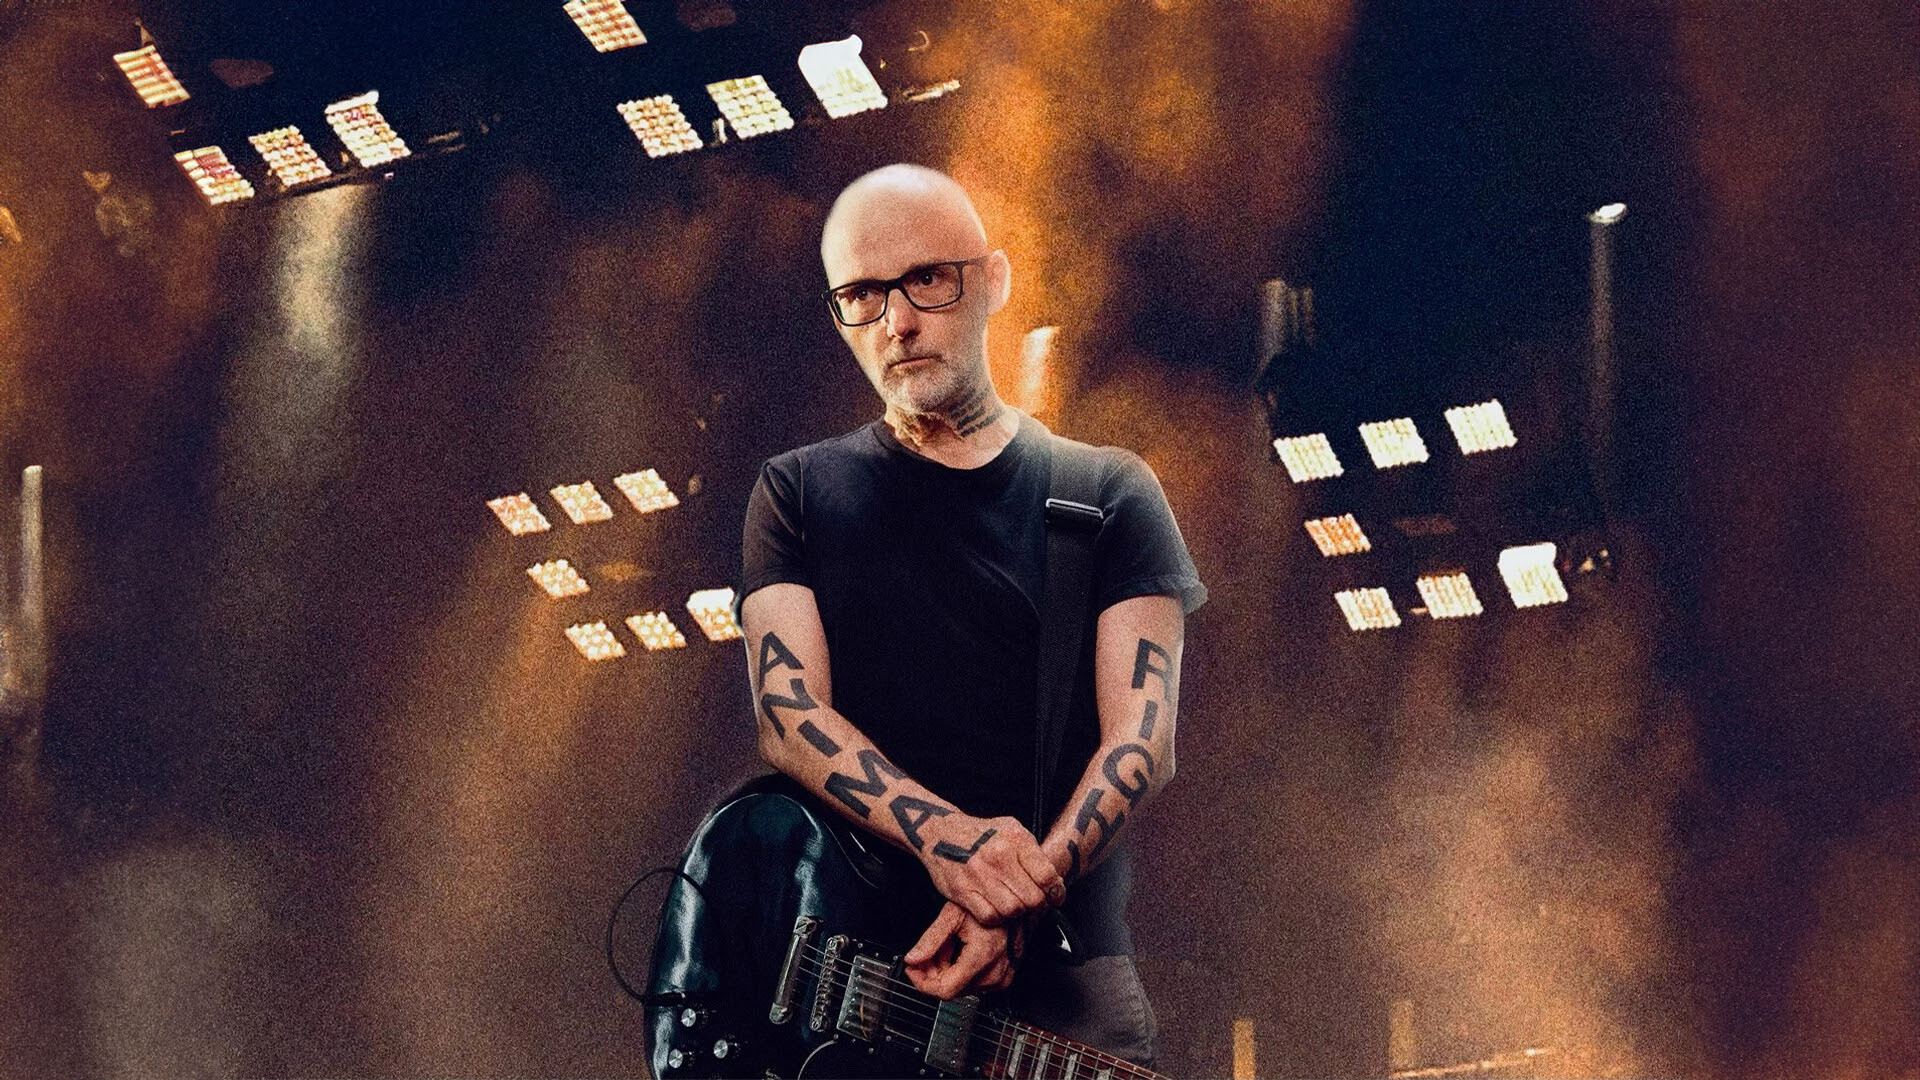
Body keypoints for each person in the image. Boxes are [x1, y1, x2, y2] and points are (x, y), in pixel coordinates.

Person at [738, 163, 1205, 1068]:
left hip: (1066, 985)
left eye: (926, 279)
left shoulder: (1109, 489)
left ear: (994, 281)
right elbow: (788, 715)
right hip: (864, 983)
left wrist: (1015, 895)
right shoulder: (794, 490)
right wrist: (952, 843)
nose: (897, 322)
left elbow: (1143, 741)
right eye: (861, 296)